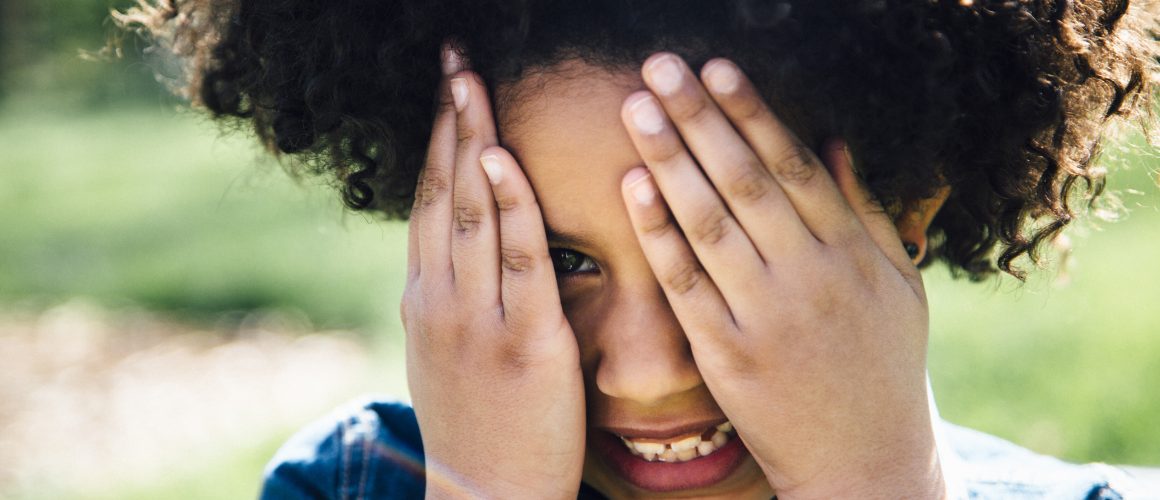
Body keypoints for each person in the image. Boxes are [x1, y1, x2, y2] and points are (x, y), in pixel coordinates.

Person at [118, 0, 1157, 497]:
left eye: (717, 255)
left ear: (906, 208)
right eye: (563, 260)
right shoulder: (356, 482)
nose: (649, 372)